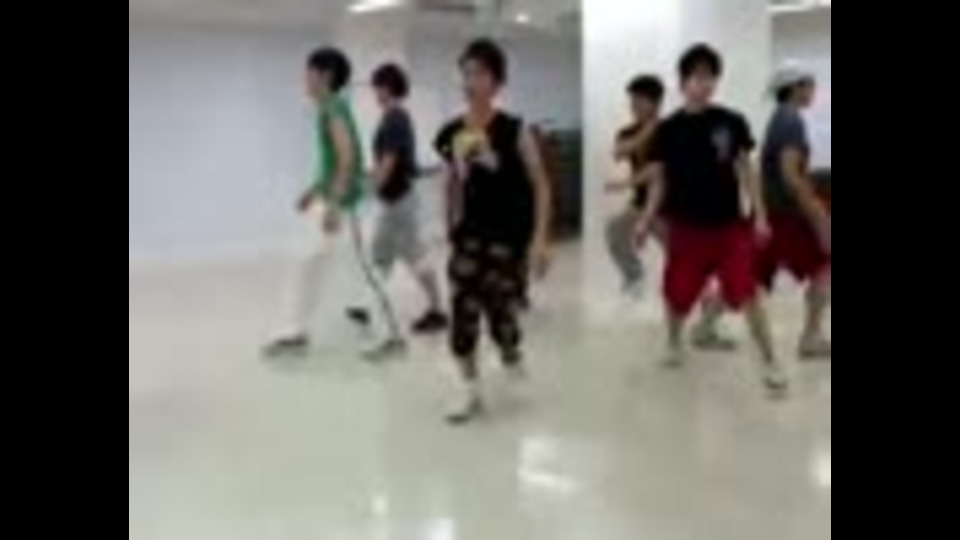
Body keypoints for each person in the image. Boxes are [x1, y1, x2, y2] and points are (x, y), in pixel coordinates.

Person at [637, 44, 789, 397]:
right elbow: (659, 181)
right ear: (683, 81)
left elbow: (746, 171)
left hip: (729, 229)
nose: (705, 84)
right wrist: (645, 219)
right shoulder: (668, 129)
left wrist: (761, 215)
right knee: (677, 294)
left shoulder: (731, 122)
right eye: (697, 77)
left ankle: (770, 361)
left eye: (710, 77)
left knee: (748, 292)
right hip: (686, 230)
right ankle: (674, 341)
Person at [434, 38, 553, 424]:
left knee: (502, 312)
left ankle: (510, 351)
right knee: (462, 315)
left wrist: (540, 240)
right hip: (469, 237)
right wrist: (447, 224)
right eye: (466, 73)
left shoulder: (515, 130)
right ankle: (469, 389)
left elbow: (540, 185)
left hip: (508, 240)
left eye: (480, 74)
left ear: (497, 82)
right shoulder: (451, 132)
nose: (471, 81)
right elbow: (450, 183)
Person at [264, 47, 400, 359]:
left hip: (344, 206)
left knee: (359, 271)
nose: (304, 78)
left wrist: (336, 205)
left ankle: (391, 336)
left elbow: (348, 158)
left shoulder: (334, 109)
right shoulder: (329, 108)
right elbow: (332, 162)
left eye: (308, 72)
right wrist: (313, 191)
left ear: (325, 75)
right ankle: (293, 332)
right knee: (305, 262)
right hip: (330, 200)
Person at [355, 63, 450, 360]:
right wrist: (372, 182)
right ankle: (430, 309)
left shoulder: (395, 117)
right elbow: (390, 162)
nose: (374, 92)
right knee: (406, 255)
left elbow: (389, 162)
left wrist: (367, 192)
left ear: (386, 87)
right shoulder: (395, 116)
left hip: (397, 202)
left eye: (377, 86)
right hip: (399, 199)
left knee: (387, 255)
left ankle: (389, 321)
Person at [757, 64, 831, 358]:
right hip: (789, 216)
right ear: (795, 87)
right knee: (825, 266)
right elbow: (789, 174)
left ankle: (707, 321)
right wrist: (817, 213)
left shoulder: (781, 117)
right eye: (809, 84)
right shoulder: (791, 120)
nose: (813, 90)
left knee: (751, 272)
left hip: (777, 212)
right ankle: (811, 337)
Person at [605, 75, 664, 296]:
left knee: (680, 255)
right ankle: (634, 275)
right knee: (614, 231)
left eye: (639, 100)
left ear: (656, 103)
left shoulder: (671, 131)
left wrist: (624, 184)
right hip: (639, 203)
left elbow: (658, 172)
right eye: (632, 100)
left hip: (669, 207)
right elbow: (619, 152)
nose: (633, 106)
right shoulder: (627, 132)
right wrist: (649, 129)